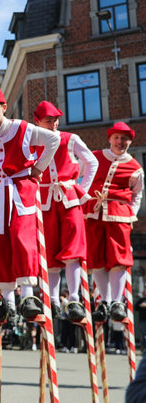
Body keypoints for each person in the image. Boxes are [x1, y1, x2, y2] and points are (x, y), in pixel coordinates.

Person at [0, 84, 60, 322]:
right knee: (0, 244)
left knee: (22, 238)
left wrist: (37, 168)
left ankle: (28, 296)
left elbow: (52, 140)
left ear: (4, 107)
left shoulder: (22, 128)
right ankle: (7, 302)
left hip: (22, 189)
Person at [33, 101, 98, 321]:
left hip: (69, 198)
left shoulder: (71, 139)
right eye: (48, 121)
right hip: (44, 201)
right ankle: (51, 300)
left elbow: (92, 162)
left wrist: (81, 190)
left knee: (73, 250)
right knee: (49, 253)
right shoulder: (32, 142)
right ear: (38, 121)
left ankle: (74, 298)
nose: (53, 124)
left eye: (55, 120)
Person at [84, 122, 143, 322]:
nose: (120, 142)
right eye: (117, 137)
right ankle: (104, 302)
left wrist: (131, 214)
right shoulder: (94, 157)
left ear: (130, 141)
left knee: (118, 259)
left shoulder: (135, 166)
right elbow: (77, 175)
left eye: (124, 138)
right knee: (97, 258)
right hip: (94, 213)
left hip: (119, 215)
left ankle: (118, 302)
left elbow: (137, 194)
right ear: (110, 139)